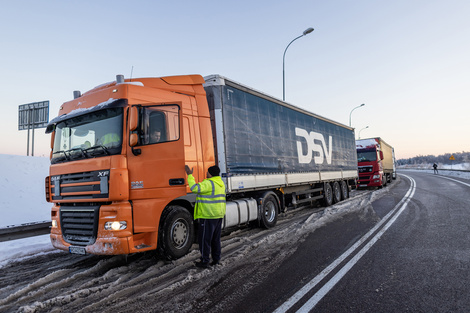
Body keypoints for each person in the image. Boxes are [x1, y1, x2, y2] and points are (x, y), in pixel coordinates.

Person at [185, 165, 226, 268]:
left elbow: (194, 188)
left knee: (204, 239)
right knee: (215, 239)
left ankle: (205, 261)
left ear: (210, 174)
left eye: (207, 172)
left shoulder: (208, 183)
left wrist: (190, 175)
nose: (206, 173)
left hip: (208, 215)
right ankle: (216, 259)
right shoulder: (221, 183)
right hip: (218, 214)